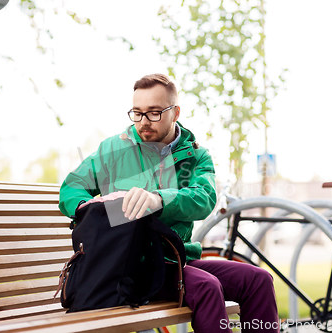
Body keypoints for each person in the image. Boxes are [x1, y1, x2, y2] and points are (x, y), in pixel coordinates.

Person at [59, 73, 279, 333]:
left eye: (154, 112)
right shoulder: (112, 150)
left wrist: (158, 199)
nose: (143, 122)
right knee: (207, 286)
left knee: (259, 279)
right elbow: (70, 190)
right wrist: (96, 210)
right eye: (137, 113)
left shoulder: (195, 155)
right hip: (129, 267)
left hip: (175, 259)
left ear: (175, 112)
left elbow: (204, 197)